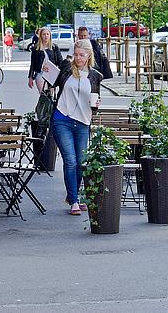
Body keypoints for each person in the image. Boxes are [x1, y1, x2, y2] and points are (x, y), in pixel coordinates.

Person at [42, 39, 103, 215]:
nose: (78, 58)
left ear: (88, 55)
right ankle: (74, 201)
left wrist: (97, 104)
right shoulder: (67, 70)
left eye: (82, 55)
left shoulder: (95, 76)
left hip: (83, 121)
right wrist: (45, 72)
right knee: (70, 160)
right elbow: (52, 83)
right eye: (76, 55)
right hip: (62, 118)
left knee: (81, 162)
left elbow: (95, 100)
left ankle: (73, 194)